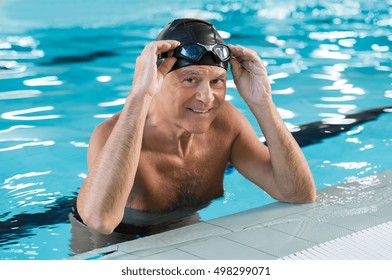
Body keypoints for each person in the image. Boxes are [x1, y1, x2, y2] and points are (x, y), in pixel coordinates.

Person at [75, 18, 316, 238]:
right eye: (190, 79)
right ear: (157, 79)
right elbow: (100, 222)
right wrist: (139, 96)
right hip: (109, 237)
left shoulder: (226, 123)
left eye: (216, 81)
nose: (207, 97)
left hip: (180, 221)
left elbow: (298, 194)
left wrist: (263, 103)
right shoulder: (112, 133)